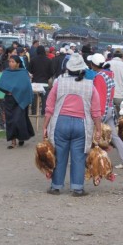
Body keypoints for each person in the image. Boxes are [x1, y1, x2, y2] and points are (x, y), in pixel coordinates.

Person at [43, 53, 101, 196]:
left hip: (60, 123)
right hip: (81, 125)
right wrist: (98, 129)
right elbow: (96, 111)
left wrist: (45, 126)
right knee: (79, 157)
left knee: (59, 155)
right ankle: (77, 188)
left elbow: (49, 106)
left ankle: (56, 186)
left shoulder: (59, 82)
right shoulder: (90, 85)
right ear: (82, 69)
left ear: (67, 68)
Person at [88, 53, 123, 169]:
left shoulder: (99, 77)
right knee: (114, 136)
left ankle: (92, 161)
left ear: (93, 65)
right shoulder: (108, 75)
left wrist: (98, 115)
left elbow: (99, 97)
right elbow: (109, 94)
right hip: (110, 109)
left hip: (102, 110)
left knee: (93, 136)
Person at [0, 55, 34, 149]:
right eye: (10, 61)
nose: (10, 63)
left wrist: (17, 90)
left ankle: (21, 138)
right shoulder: (6, 72)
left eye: (13, 62)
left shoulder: (23, 73)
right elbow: (1, 85)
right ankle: (13, 141)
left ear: (18, 63)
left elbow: (26, 87)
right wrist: (8, 90)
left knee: (19, 120)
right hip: (9, 99)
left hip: (20, 99)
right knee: (10, 121)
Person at [29, 45, 53, 116]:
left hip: (35, 82)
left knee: (34, 99)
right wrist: (47, 77)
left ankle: (33, 112)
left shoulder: (33, 60)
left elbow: (29, 71)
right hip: (45, 82)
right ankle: (43, 112)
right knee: (44, 99)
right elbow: (51, 72)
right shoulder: (48, 60)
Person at [107, 50, 123, 116]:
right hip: (120, 96)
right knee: (121, 119)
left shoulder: (107, 64)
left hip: (108, 95)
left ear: (113, 55)